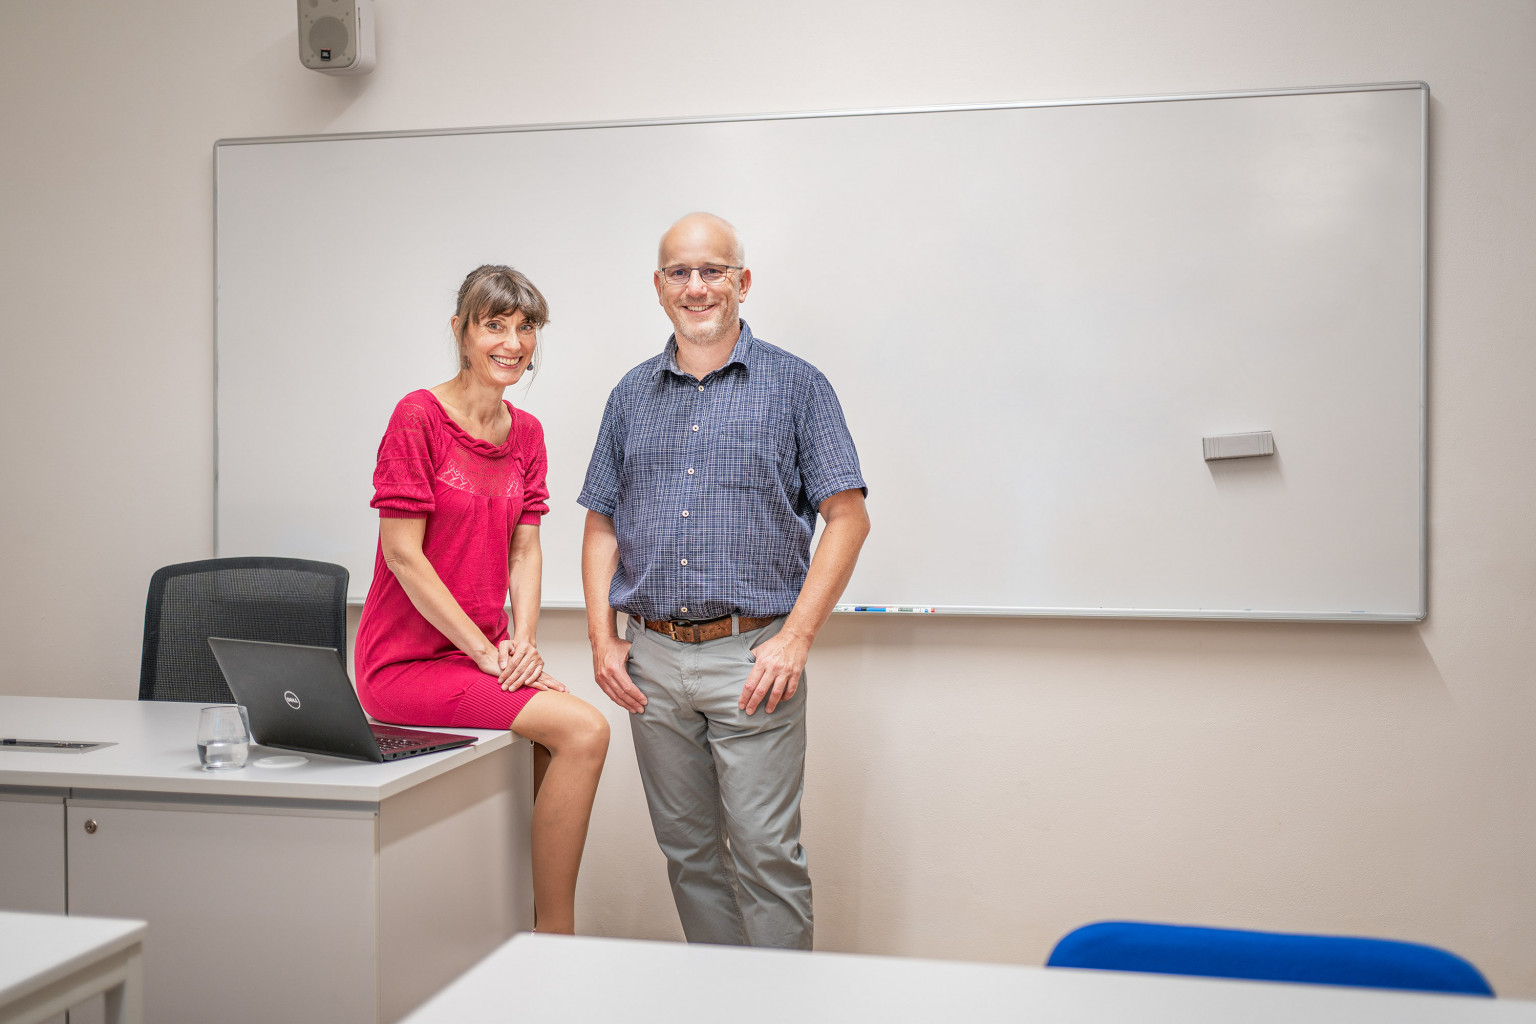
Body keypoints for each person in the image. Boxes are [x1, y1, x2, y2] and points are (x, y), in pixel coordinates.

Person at [578, 213, 870, 949]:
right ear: (658, 287)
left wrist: (795, 640)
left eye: (713, 271)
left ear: (743, 281)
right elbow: (602, 524)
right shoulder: (630, 395)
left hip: (754, 661)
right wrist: (602, 639)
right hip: (651, 661)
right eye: (680, 272)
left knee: (768, 857)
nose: (697, 286)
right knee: (690, 857)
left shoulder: (799, 386)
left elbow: (848, 517)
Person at [356, 264, 608, 935]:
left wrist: (521, 644)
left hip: (482, 657)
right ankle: (556, 937)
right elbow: (404, 555)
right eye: (494, 324)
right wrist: (488, 654)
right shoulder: (419, 417)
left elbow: (525, 550)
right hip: (406, 666)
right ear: (461, 332)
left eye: (525, 327)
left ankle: (515, 929)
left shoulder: (526, 433)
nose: (513, 341)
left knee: (552, 740)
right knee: (585, 730)